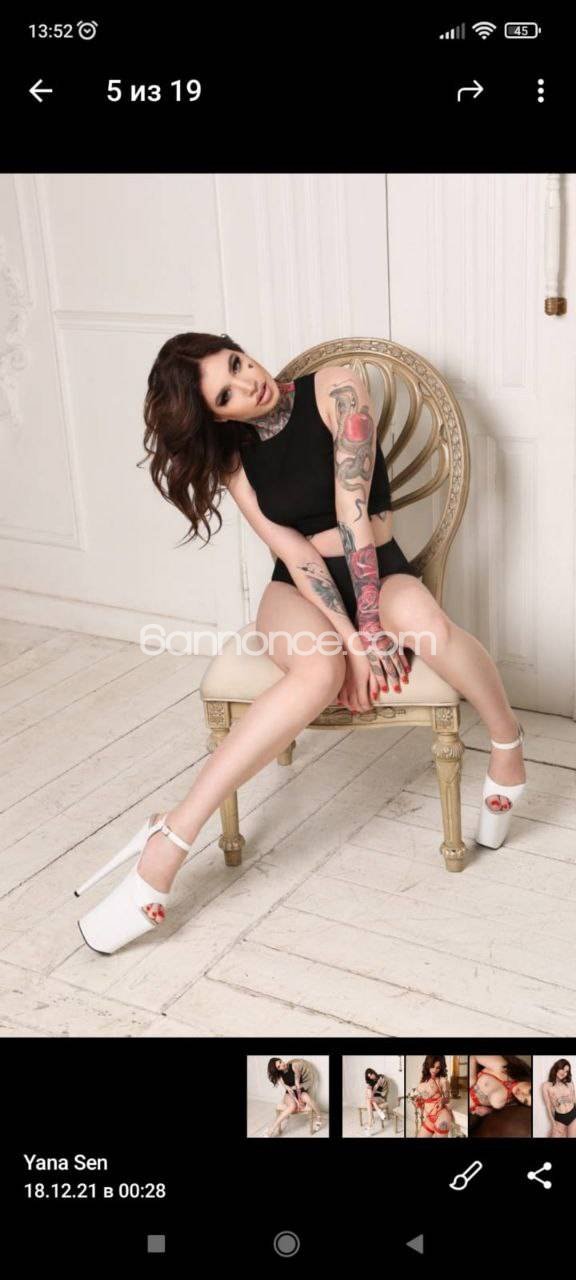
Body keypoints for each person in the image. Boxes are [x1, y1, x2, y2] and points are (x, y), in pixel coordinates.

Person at [74, 333, 527, 953]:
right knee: (318, 673)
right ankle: (170, 840)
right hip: (299, 589)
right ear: (218, 417)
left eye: (237, 363)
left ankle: (507, 746)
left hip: (377, 565)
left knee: (430, 627)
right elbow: (291, 550)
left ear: (241, 349)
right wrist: (350, 642)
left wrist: (372, 627)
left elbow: (352, 512)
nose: (248, 383)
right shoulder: (234, 458)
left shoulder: (336, 388)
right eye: (226, 395)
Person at [265, 1058, 322, 1136]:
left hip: (299, 1090)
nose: (282, 1065)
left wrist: (300, 1100)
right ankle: (271, 1129)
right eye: (279, 1066)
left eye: (280, 1062)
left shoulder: (294, 1066)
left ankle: (319, 1117)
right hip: (289, 1094)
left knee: (307, 1098)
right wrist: (297, 1102)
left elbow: (297, 1085)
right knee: (292, 1106)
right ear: (277, 1070)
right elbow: (289, 1090)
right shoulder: (280, 1076)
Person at [412, 1055, 453, 1138]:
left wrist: (442, 1100)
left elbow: (447, 1099)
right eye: (432, 1066)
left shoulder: (442, 1080)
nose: (434, 1070)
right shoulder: (423, 1080)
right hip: (429, 1117)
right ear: (427, 1065)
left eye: (438, 1068)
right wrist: (417, 1101)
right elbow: (422, 1099)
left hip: (441, 1115)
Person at [542, 1059, 576, 1138]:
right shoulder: (546, 1086)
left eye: (566, 1071)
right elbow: (548, 1106)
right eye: (562, 1069)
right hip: (560, 1118)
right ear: (557, 1068)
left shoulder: (569, 1083)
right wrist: (553, 1124)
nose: (564, 1073)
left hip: (573, 1115)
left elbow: (574, 1100)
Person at [363, 1067, 390, 1132]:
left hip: (381, 1098)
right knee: (368, 1096)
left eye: (371, 1075)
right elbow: (370, 1093)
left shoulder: (381, 1077)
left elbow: (375, 1089)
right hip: (374, 1099)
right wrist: (369, 1090)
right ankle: (378, 1112)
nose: (371, 1077)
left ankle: (370, 1122)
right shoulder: (371, 1082)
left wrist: (370, 1093)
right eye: (369, 1077)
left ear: (373, 1072)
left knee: (368, 1098)